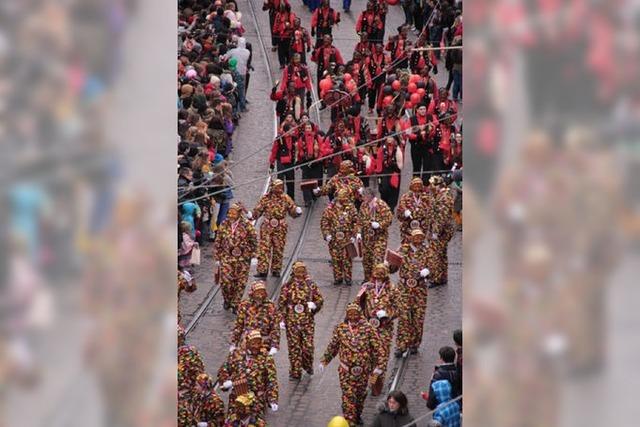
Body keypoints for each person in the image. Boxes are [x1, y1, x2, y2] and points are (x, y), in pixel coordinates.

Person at [320, 303, 385, 426]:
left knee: (360, 396)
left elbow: (379, 349)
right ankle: (350, 421)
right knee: (348, 398)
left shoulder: (368, 328)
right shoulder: (341, 329)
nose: (353, 316)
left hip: (363, 371)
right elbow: (333, 346)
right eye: (350, 313)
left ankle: (357, 414)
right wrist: (325, 360)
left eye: (355, 313)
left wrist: (379, 367)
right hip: (346, 372)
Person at [277, 261, 324, 379]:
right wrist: (281, 319)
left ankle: (307, 365)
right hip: (292, 322)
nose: (300, 273)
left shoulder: (310, 285)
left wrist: (314, 304)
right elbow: (281, 304)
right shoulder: (287, 286)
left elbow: (320, 299)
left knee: (308, 347)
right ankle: (295, 371)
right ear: (294, 272)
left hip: (307, 321)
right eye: (298, 271)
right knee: (294, 348)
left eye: (302, 271)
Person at [218, 330, 279, 417]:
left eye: (258, 343)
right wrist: (225, 381)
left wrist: (272, 399)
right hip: (237, 399)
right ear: (247, 343)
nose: (256, 346)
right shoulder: (236, 354)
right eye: (253, 343)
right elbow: (224, 369)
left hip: (256, 401)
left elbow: (272, 380)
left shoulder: (266, 358)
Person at [252, 179, 302, 278]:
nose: (280, 189)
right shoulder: (266, 198)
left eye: (281, 187)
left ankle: (276, 269)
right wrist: (253, 215)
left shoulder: (286, 198)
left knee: (278, 248)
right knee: (264, 248)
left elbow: (292, 212)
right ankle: (262, 270)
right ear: (273, 188)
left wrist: (297, 211)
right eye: (278, 187)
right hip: (267, 226)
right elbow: (258, 211)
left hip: (280, 227)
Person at [355, 263, 398, 379]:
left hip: (384, 327)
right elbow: (359, 305)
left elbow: (399, 308)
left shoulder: (392, 289)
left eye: (381, 274)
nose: (378, 277)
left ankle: (378, 379)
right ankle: (370, 374)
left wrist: (388, 314)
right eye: (376, 274)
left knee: (382, 353)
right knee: (369, 353)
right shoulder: (368, 287)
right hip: (369, 327)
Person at [214, 203, 258, 311]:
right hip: (227, 257)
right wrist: (217, 257)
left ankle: (236, 303)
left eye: (233, 213)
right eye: (229, 213)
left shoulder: (246, 225)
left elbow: (254, 241)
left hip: (243, 258)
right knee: (226, 282)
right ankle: (227, 299)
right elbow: (218, 241)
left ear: (239, 214)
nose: (230, 215)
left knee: (240, 282)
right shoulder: (224, 224)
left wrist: (254, 256)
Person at [395, 229, 430, 357]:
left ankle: (415, 343)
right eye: (416, 237)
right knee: (404, 317)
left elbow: (433, 264)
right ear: (411, 237)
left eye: (421, 237)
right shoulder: (403, 249)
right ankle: (401, 345)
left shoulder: (427, 250)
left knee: (417, 317)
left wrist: (428, 270)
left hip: (419, 289)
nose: (418, 239)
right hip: (404, 288)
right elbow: (394, 266)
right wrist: (389, 262)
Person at [320, 188, 361, 286]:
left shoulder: (351, 208)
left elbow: (357, 222)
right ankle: (338, 277)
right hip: (334, 238)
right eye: (342, 197)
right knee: (336, 258)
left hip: (347, 237)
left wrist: (355, 234)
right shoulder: (330, 208)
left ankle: (348, 277)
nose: (344, 200)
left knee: (347, 258)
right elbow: (324, 222)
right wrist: (327, 234)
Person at [230, 281, 281, 355]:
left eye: (262, 292)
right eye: (258, 292)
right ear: (252, 293)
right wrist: (234, 342)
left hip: (264, 343)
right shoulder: (245, 305)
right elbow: (238, 325)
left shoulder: (270, 306)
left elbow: (275, 327)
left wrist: (274, 345)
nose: (260, 295)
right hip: (247, 342)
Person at [358, 188, 393, 282]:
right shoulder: (363, 205)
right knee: (367, 261)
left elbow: (389, 218)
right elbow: (360, 220)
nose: (363, 198)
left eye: (364, 196)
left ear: (370, 196)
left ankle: (378, 280)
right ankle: (368, 280)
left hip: (379, 238)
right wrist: (358, 232)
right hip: (367, 238)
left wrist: (380, 224)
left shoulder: (381, 205)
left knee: (377, 259)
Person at [426, 175, 454, 286]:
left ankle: (436, 278)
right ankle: (442, 276)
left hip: (442, 231)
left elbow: (442, 217)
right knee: (441, 253)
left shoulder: (444, 197)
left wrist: (435, 232)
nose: (430, 186)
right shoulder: (436, 195)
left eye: (432, 184)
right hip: (437, 229)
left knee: (435, 254)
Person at [396, 177, 431, 244]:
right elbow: (399, 214)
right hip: (408, 229)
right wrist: (404, 213)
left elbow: (430, 212)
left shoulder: (426, 198)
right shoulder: (405, 197)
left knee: (419, 248)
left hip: (421, 228)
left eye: (419, 186)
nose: (417, 189)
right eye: (415, 186)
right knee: (406, 248)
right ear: (411, 187)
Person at [269, 124, 298, 200]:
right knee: (280, 182)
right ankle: (280, 199)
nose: (293, 131)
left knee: (291, 182)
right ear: (286, 131)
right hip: (281, 162)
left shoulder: (294, 138)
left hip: (290, 163)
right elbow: (274, 151)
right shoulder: (279, 139)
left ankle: (291, 199)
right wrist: (271, 163)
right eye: (292, 129)